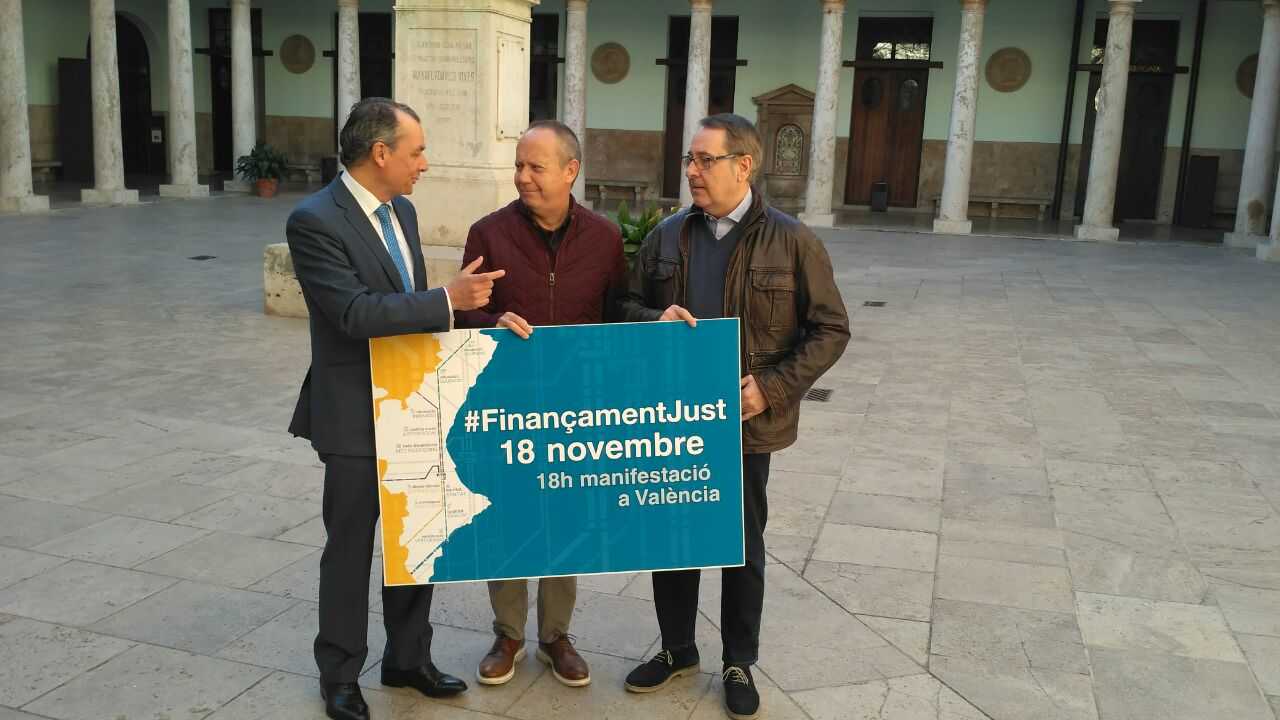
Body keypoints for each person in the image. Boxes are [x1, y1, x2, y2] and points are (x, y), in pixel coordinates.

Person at [618, 113, 850, 720]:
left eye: (704, 160)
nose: (691, 171)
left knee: (740, 545)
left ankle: (739, 660)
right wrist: (652, 320)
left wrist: (771, 388)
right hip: (671, 419)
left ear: (743, 165)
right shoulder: (666, 237)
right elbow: (624, 303)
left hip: (746, 426)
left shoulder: (792, 240)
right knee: (672, 540)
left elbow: (831, 329)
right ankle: (676, 649)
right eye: (689, 160)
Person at [286, 97, 506, 720]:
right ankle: (340, 675)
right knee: (351, 548)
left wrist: (456, 312)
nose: (425, 164)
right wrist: (446, 298)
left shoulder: (402, 211)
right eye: (417, 151)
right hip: (353, 410)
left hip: (412, 405)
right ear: (380, 153)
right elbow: (353, 313)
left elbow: (403, 303)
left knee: (417, 541)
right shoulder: (314, 220)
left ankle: (408, 659)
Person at [455, 119, 625, 689]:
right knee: (507, 514)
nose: (522, 177)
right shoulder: (488, 233)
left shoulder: (604, 237)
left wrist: (661, 322)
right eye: (519, 165)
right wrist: (491, 318)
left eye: (536, 167)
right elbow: (461, 313)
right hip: (505, 400)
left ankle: (556, 635)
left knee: (566, 517)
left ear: (570, 171)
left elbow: (621, 309)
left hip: (577, 407)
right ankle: (507, 633)